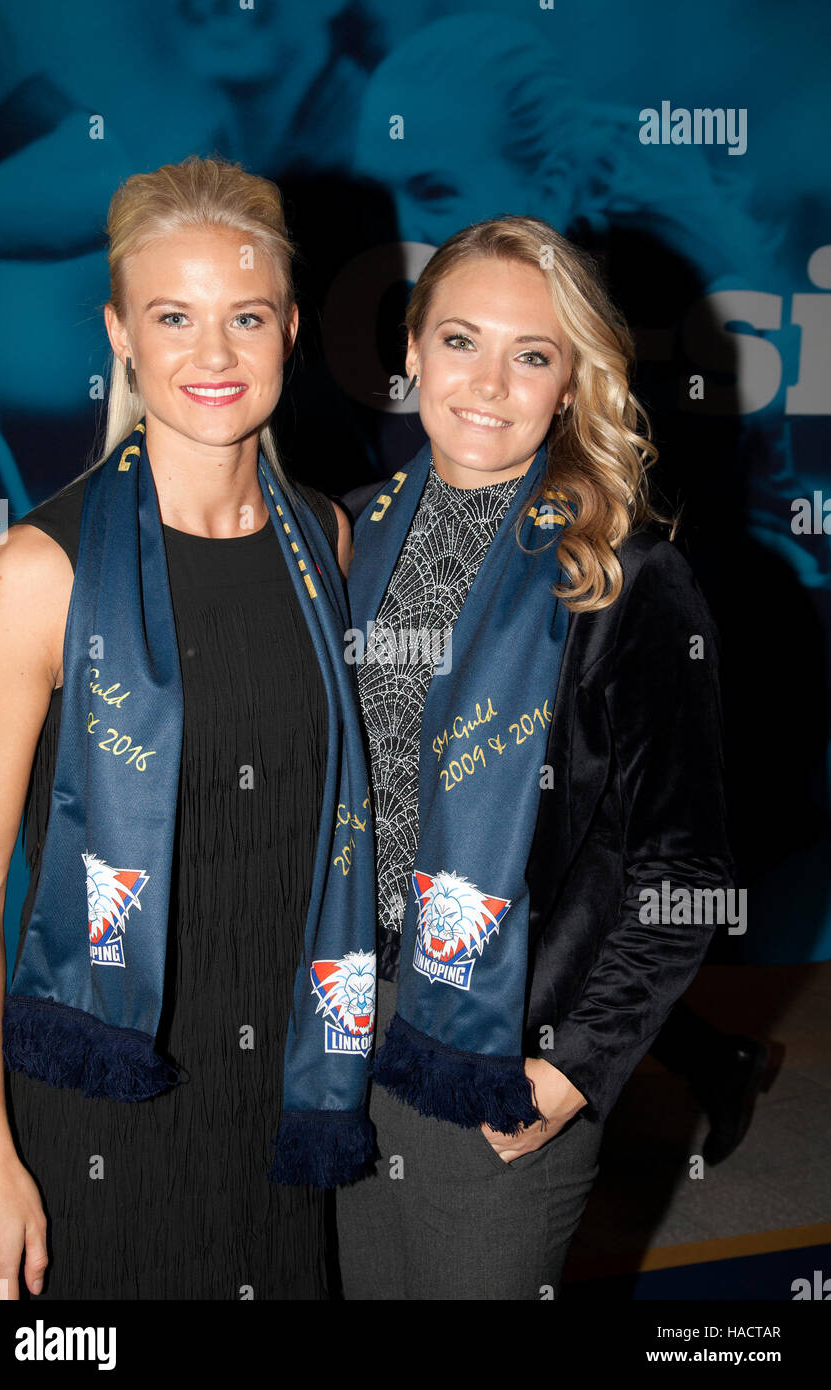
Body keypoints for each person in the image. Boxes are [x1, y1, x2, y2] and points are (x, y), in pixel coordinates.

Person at [0, 155, 377, 1302]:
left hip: (288, 1083)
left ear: (290, 329)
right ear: (121, 334)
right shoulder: (34, 575)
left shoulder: (325, 545)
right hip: (99, 1084)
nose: (212, 355)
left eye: (244, 316)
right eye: (173, 317)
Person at [336, 216, 735, 1300]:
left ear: (571, 383)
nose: (488, 382)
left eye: (532, 353)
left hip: (499, 1057)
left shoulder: (623, 578)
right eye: (459, 340)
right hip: (336, 1038)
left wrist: (571, 1071)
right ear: (409, 351)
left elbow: (685, 872)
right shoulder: (342, 539)